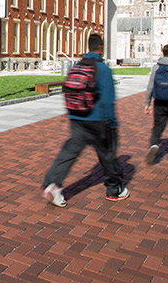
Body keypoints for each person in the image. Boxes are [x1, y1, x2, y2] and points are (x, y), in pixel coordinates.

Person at [42, 34, 128, 207]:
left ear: (88, 47)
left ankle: (53, 184)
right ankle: (114, 190)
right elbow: (108, 100)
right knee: (107, 154)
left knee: (69, 152)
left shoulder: (77, 66)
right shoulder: (103, 69)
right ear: (101, 47)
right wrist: (112, 122)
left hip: (77, 117)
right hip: (98, 120)